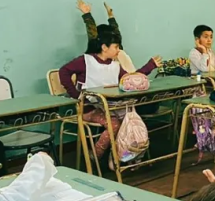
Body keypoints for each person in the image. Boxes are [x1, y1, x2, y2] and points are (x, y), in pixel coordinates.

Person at [59, 26, 161, 163]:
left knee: (131, 121)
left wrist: (150, 66)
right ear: (104, 47)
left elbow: (130, 80)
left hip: (110, 108)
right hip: (89, 109)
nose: (118, 50)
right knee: (114, 125)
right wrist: (76, 95)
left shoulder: (115, 66)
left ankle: (122, 157)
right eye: (116, 46)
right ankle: (95, 155)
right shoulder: (85, 61)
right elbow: (63, 72)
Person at [76, 0, 136, 73]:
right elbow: (93, 36)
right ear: (103, 46)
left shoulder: (119, 53)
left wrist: (111, 16)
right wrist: (87, 15)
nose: (117, 48)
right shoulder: (94, 57)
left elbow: (117, 36)